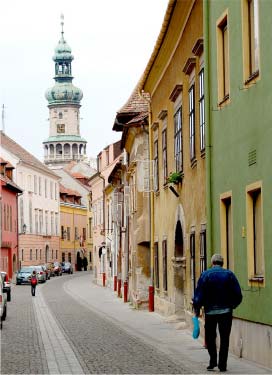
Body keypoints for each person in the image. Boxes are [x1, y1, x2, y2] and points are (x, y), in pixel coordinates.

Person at [193, 254, 242, 372]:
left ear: (212, 262)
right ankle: (222, 364)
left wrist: (197, 309)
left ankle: (213, 361)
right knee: (225, 338)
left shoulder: (205, 275)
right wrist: (232, 306)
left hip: (210, 312)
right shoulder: (229, 275)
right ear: (222, 263)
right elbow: (238, 295)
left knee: (210, 338)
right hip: (226, 312)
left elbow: (198, 295)